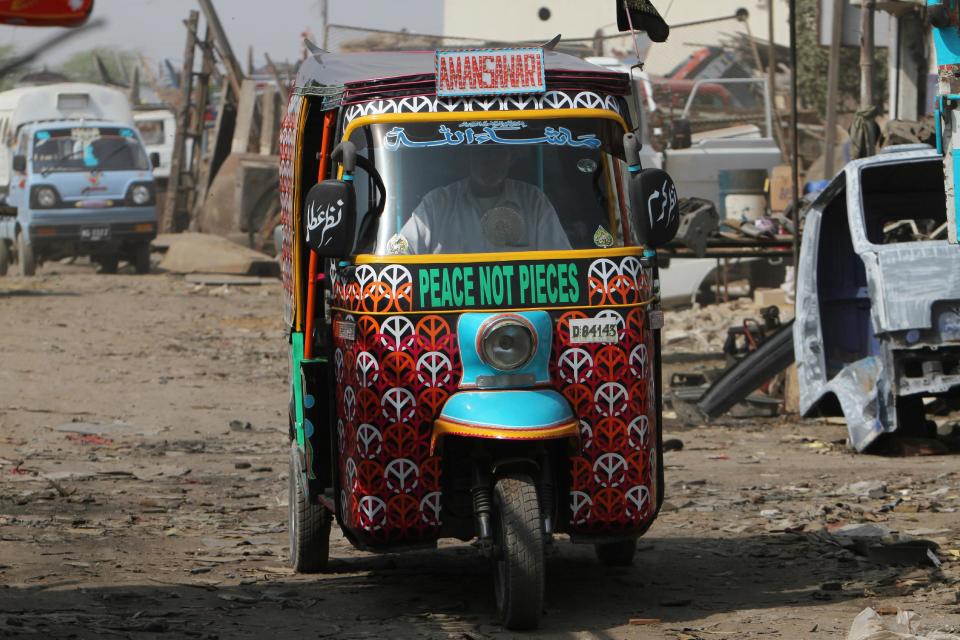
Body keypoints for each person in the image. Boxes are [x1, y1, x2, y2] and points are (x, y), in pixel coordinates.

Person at [398, 145, 571, 254]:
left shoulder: (534, 202)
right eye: (481, 152)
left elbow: (562, 261)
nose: (490, 160)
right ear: (467, 157)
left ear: (511, 157)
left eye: (498, 152)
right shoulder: (436, 204)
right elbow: (398, 255)